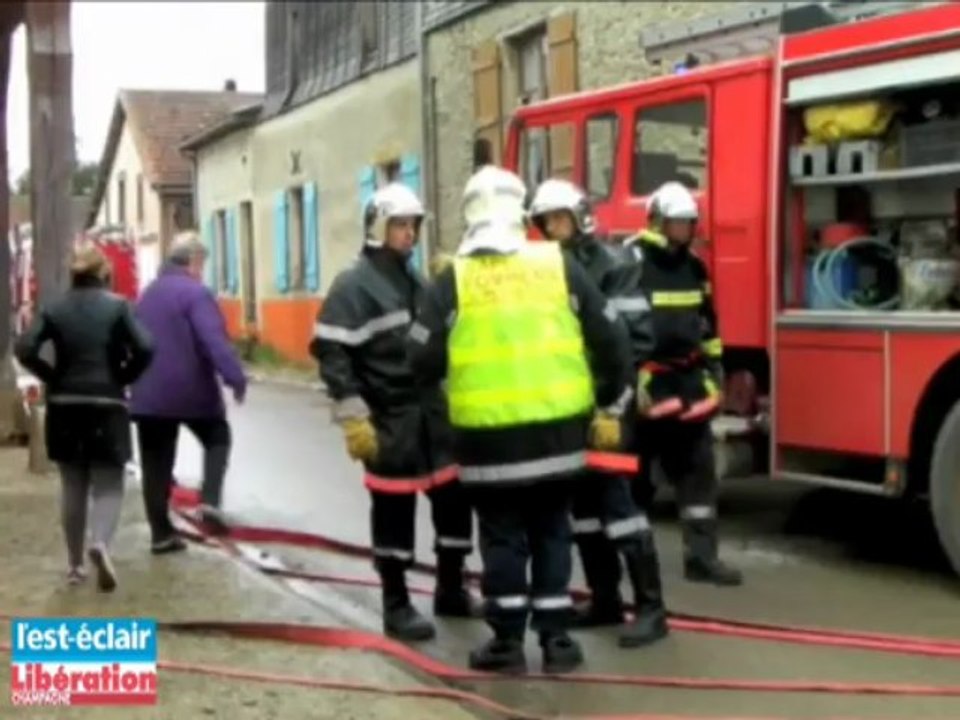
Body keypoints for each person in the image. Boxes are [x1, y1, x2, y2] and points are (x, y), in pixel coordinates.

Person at [408, 166, 634, 674]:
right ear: (521, 213)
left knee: (503, 538)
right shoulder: (557, 265)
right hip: (559, 439)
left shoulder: (453, 281)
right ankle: (557, 643)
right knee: (554, 532)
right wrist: (609, 405)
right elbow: (613, 340)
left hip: (487, 446)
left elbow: (417, 359)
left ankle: (507, 644)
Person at [310, 182, 476, 643]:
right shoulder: (353, 285)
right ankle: (396, 603)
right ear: (378, 228)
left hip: (432, 414)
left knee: (453, 502)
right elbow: (332, 354)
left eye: (413, 225)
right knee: (394, 513)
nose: (409, 234)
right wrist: (354, 417)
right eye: (400, 225)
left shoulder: (416, 279)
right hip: (389, 418)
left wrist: (447, 292)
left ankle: (451, 588)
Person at [527, 178, 669, 648]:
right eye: (545, 222)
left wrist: (613, 404)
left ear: (581, 216)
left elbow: (634, 340)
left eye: (560, 219)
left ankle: (652, 609)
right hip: (569, 406)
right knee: (584, 511)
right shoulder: (547, 268)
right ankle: (605, 598)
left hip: (611, 404)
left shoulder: (614, 264)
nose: (553, 229)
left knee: (620, 508)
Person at [16, 241, 154, 591]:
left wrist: (51, 376)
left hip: (65, 404)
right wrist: (123, 375)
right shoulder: (120, 306)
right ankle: (101, 543)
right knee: (109, 483)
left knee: (72, 484)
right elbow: (147, 347)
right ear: (104, 273)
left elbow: (25, 347)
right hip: (107, 403)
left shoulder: (54, 307)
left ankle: (76, 565)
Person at [624, 181, 742, 586]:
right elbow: (617, 324)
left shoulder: (695, 266)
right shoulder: (631, 261)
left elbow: (707, 321)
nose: (684, 230)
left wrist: (714, 367)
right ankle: (635, 562)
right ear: (657, 219)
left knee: (698, 473)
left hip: (688, 382)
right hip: (647, 383)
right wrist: (630, 377)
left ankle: (702, 559)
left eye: (688, 223)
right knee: (636, 480)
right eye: (677, 223)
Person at [130, 233, 248, 554]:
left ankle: (160, 534)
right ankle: (210, 501)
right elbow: (213, 340)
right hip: (191, 390)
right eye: (202, 263)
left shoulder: (147, 294)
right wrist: (235, 378)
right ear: (194, 262)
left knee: (155, 462)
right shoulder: (196, 294)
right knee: (216, 435)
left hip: (148, 394)